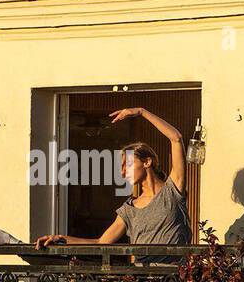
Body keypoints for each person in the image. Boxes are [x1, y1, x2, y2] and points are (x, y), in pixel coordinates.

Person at [32, 107, 190, 250]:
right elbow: (101, 243)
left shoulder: (172, 190)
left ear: (147, 162)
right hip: (140, 279)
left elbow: (176, 138)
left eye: (127, 164)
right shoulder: (129, 208)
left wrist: (142, 112)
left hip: (172, 279)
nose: (123, 173)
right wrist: (60, 238)